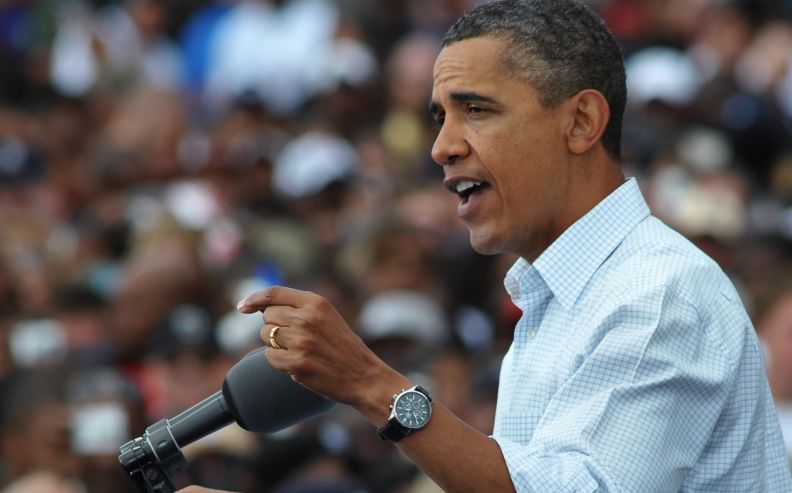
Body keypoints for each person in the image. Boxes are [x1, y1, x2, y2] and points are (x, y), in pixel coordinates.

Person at [180, 0, 792, 491]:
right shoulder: (563, 293)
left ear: (581, 122)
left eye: (475, 109)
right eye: (440, 115)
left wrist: (370, 382)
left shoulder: (658, 294)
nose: (441, 145)